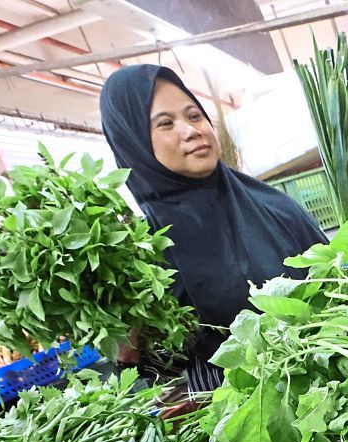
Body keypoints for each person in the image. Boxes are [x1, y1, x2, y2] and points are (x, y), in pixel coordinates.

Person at [99, 65, 327, 395]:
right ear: (131, 140)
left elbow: (340, 269)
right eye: (166, 123)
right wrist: (130, 348)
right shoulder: (140, 253)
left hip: (327, 384)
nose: (191, 130)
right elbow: (161, 372)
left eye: (194, 116)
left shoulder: (272, 206)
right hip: (232, 416)